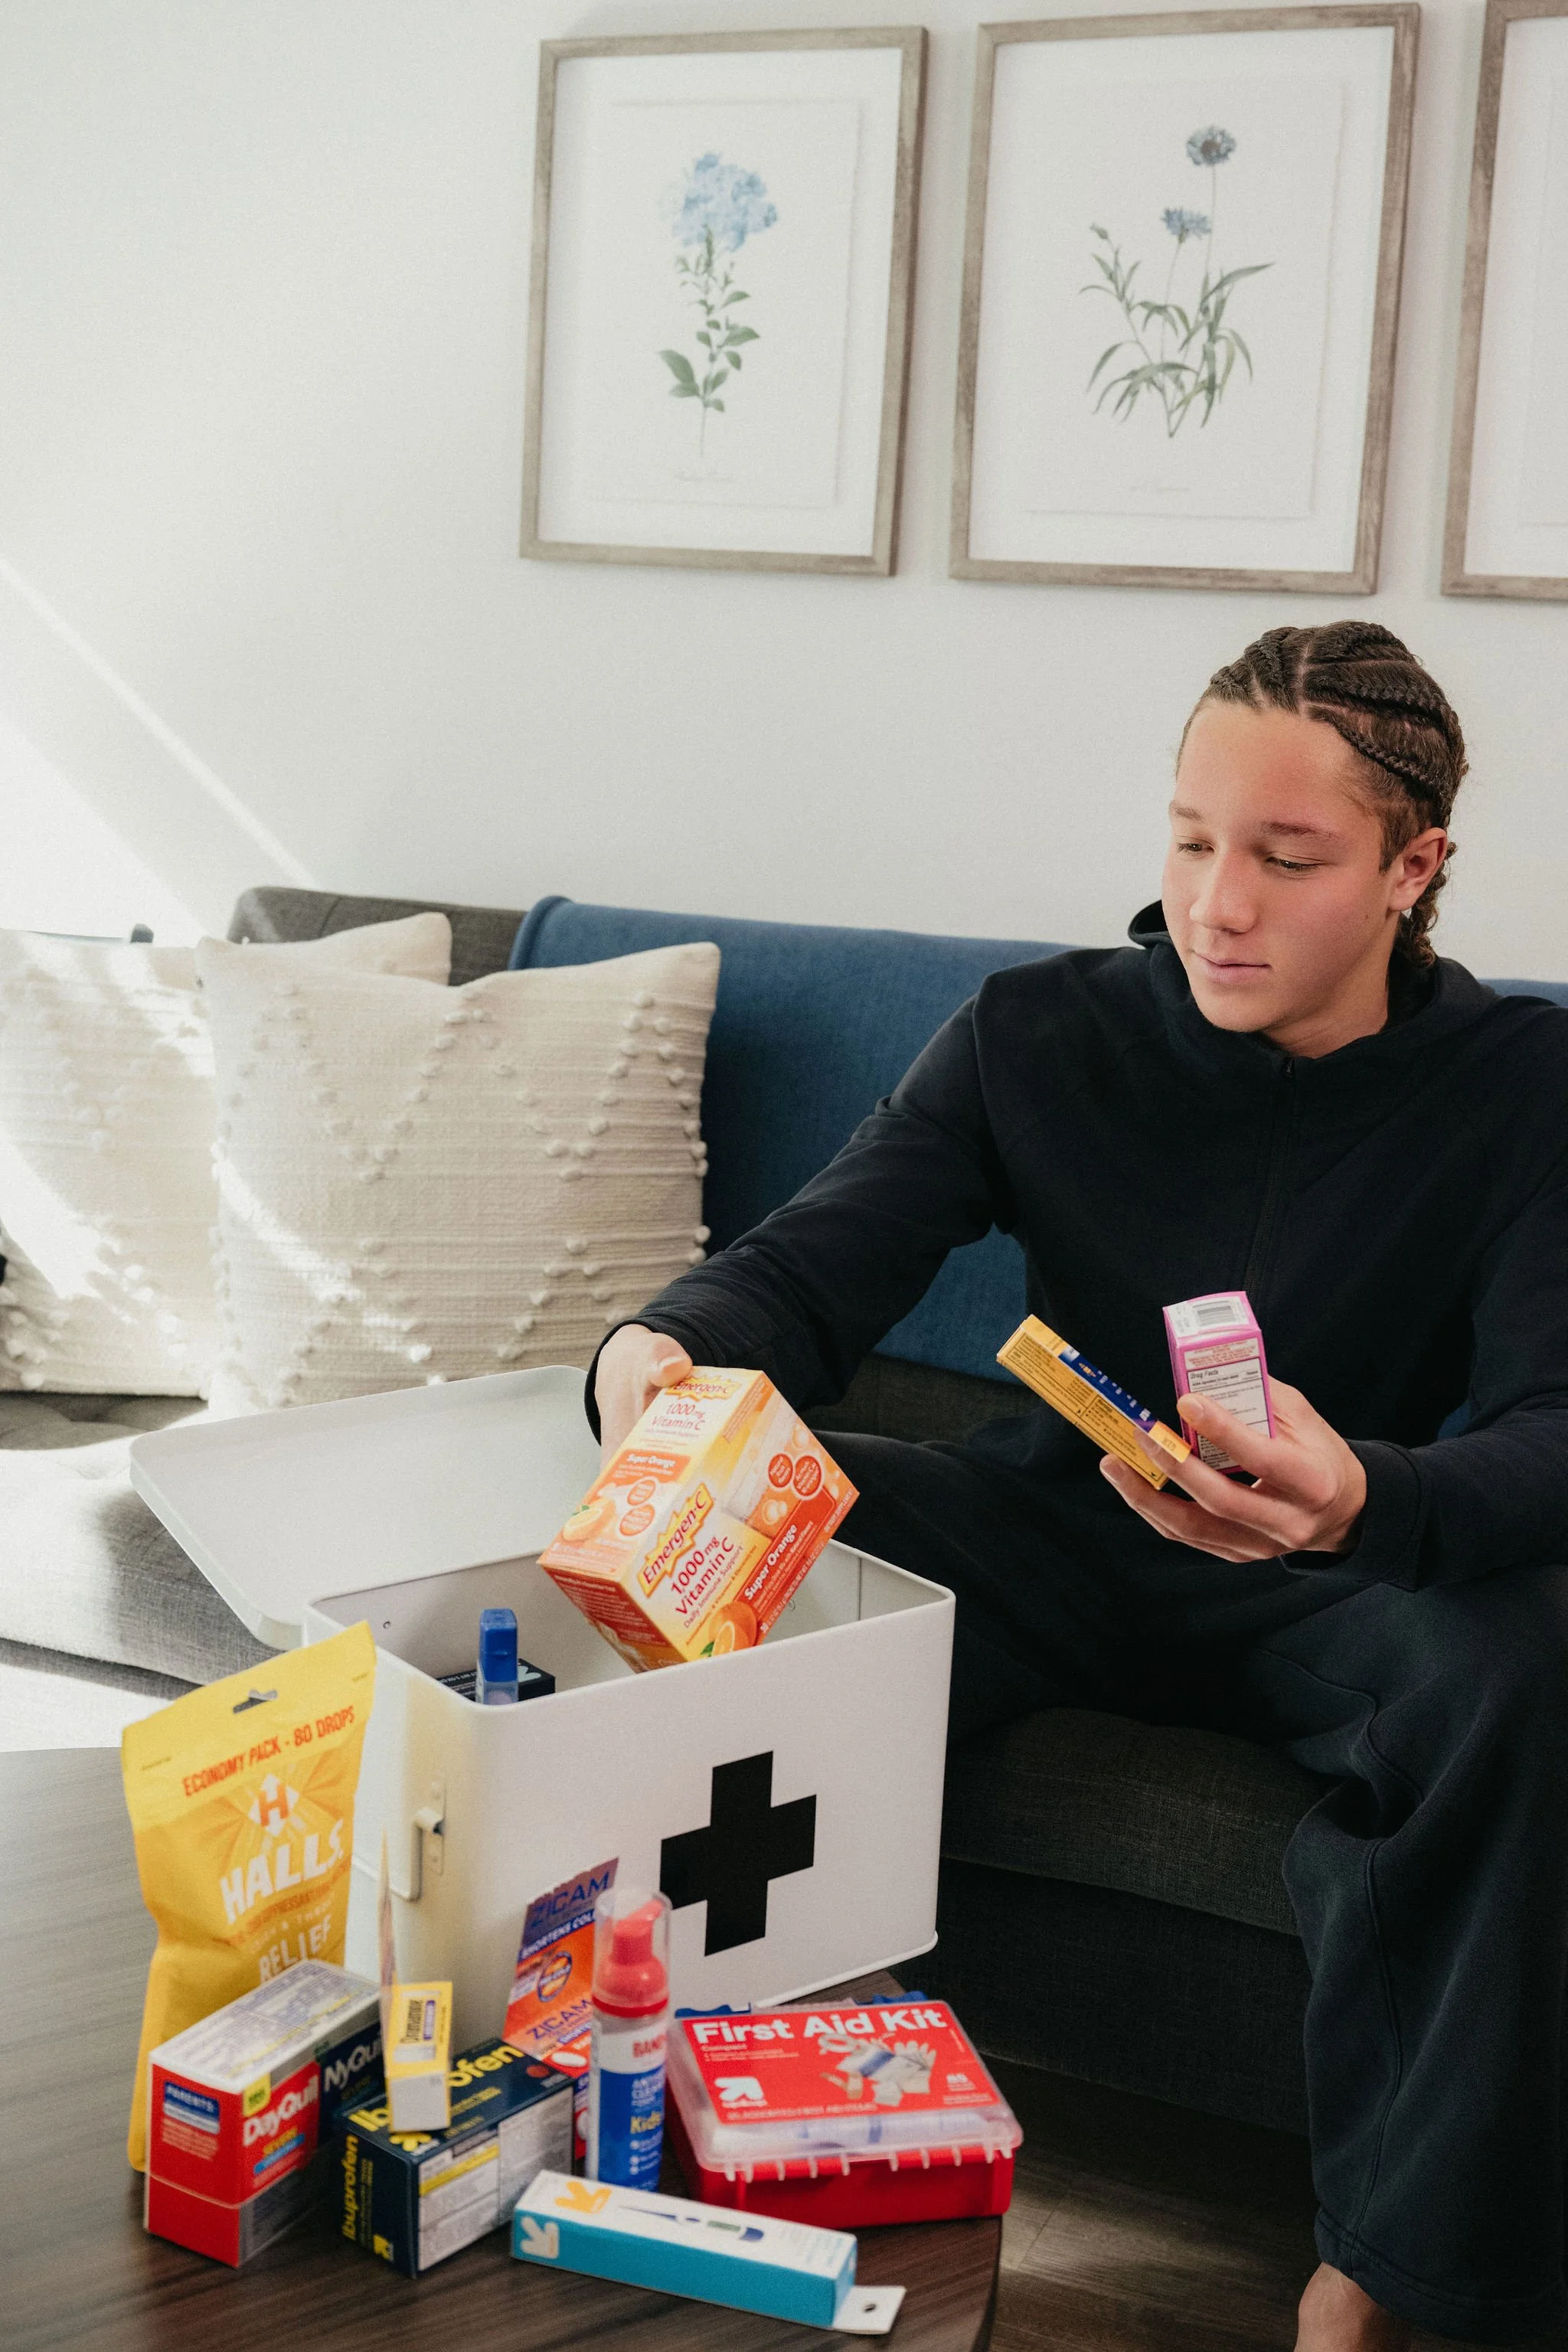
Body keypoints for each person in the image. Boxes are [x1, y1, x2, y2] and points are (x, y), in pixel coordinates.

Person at [590, 621, 1568, 2349]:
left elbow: (1554, 1432)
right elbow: (815, 1264)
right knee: (783, 1519)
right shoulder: (1036, 1031)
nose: (1219, 904)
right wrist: (662, 1360)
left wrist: (1368, 1500)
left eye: (1286, 857)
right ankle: (660, 2130)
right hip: (1052, 1530)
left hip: (1341, 1578)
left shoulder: (1526, 1090)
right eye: (1189, 839)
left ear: (1415, 868)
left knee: (1525, 1663)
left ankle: (1380, 2288)